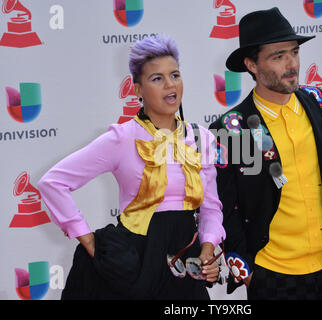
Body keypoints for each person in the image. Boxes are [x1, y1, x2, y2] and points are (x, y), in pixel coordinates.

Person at [38, 35, 225, 300]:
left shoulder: (201, 138)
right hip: (134, 266)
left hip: (185, 262)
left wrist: (207, 248)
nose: (170, 85)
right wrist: (88, 239)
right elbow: (53, 182)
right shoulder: (122, 138)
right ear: (137, 90)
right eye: (157, 78)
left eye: (175, 75)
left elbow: (211, 207)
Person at [209, 7, 322, 300]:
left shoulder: (313, 100)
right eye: (278, 56)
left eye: (294, 52)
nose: (291, 64)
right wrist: (249, 275)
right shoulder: (233, 128)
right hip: (274, 276)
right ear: (251, 65)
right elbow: (224, 208)